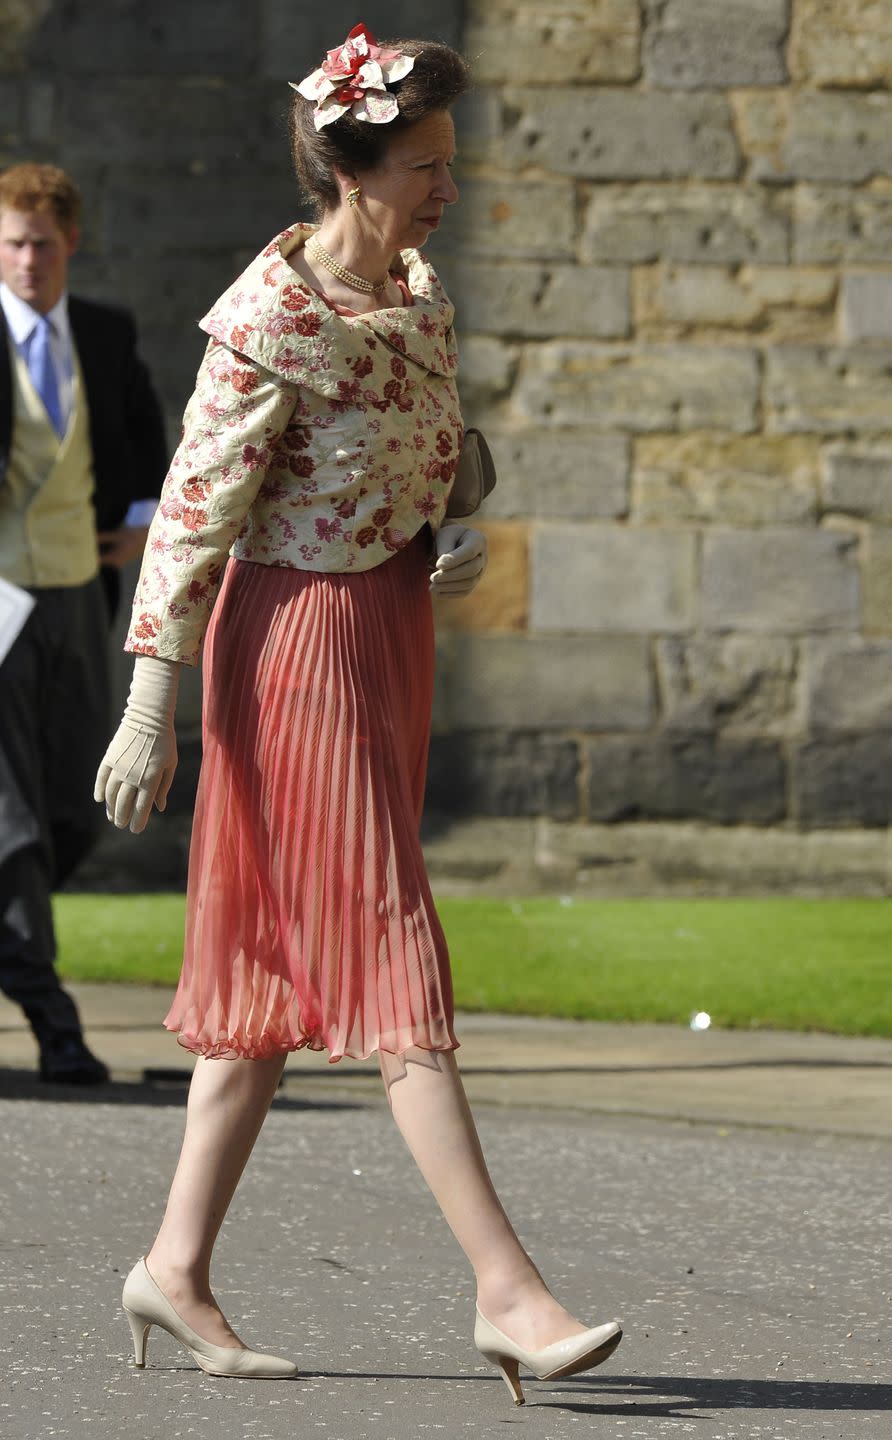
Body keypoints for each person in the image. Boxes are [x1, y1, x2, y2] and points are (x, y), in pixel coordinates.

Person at [95, 25, 622, 1405]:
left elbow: (449, 451)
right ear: (354, 171)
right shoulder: (269, 320)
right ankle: (507, 1290)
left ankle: (173, 1266)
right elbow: (195, 511)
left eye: (451, 162)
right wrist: (152, 698)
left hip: (386, 626)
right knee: (391, 953)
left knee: (271, 979)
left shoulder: (420, 293)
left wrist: (447, 517)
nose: (452, 186)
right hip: (294, 651)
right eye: (430, 165)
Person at [0, 163, 167, 1085]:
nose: (30, 261)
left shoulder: (103, 333)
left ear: (71, 245)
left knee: (79, 808)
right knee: (12, 817)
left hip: (74, 592)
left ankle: (16, 952)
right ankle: (53, 1019)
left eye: (44, 244)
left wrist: (143, 516)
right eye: (15, 243)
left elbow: (149, 439)